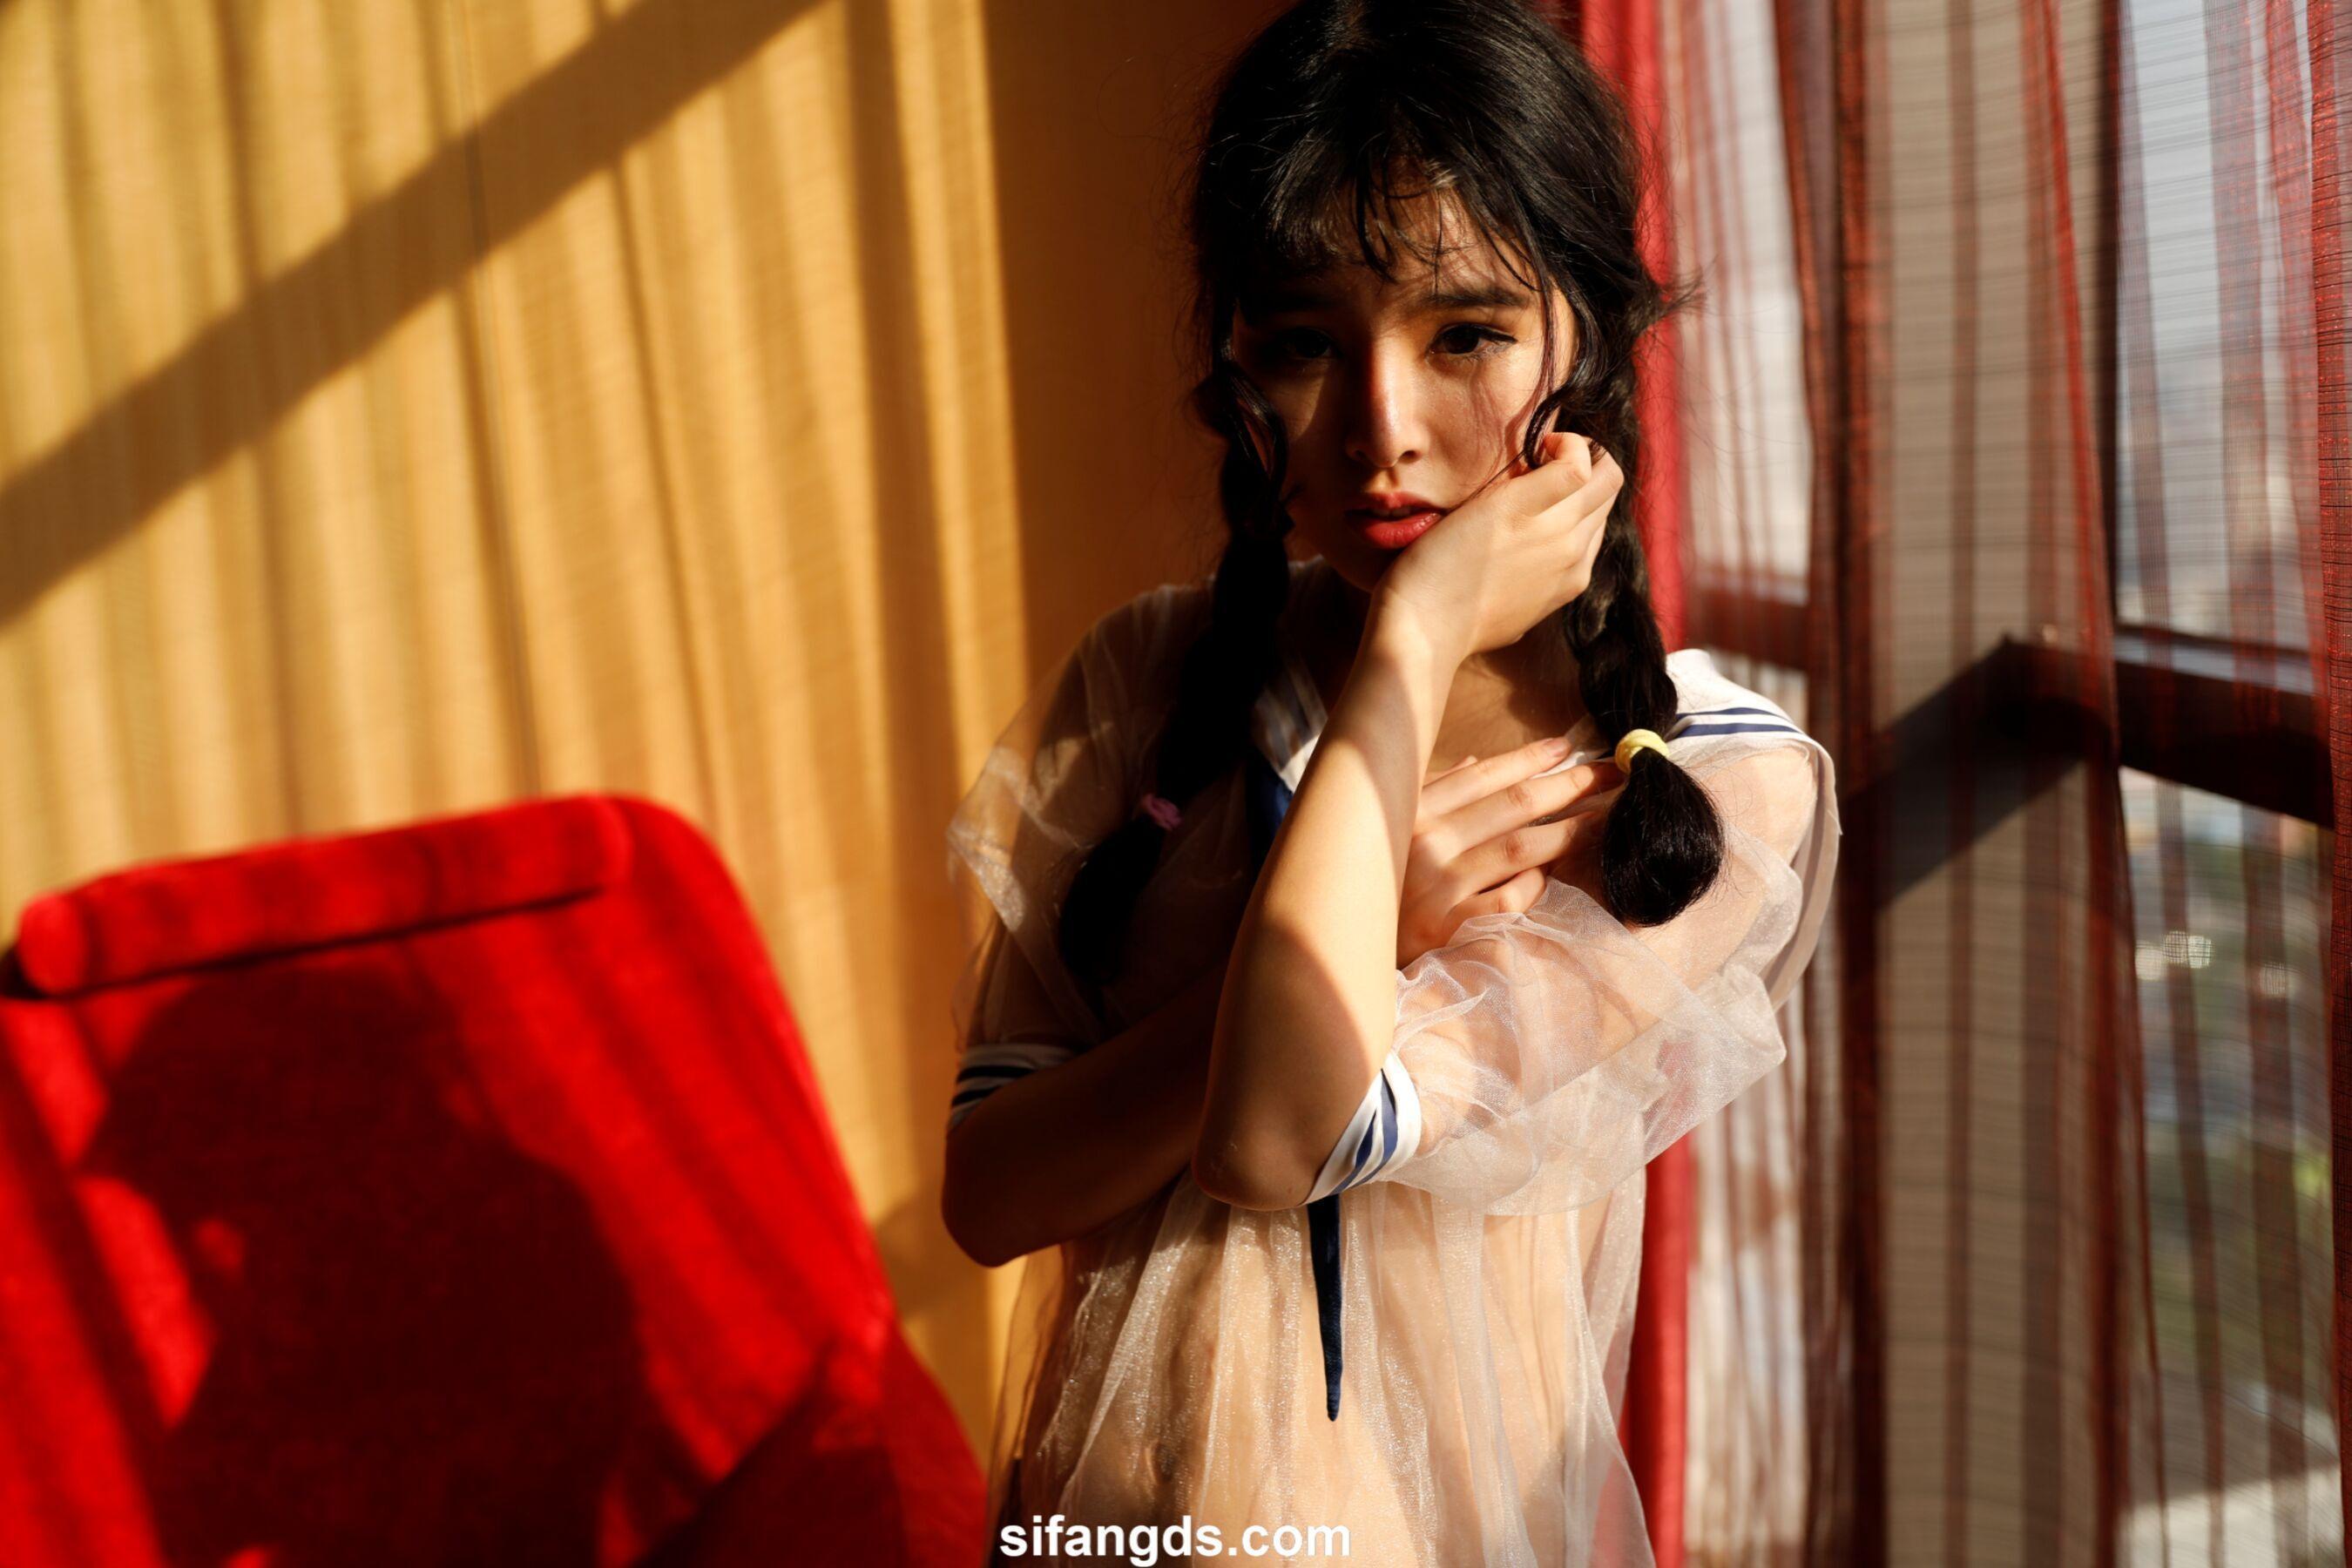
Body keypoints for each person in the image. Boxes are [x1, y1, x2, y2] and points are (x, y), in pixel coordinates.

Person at [938, 0, 1841, 1561]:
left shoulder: (1695, 787)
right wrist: (1362, 924)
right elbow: (993, 1195)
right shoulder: (1148, 677)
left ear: (1589, 340)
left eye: (1466, 335)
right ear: (1235, 360)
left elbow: (1275, 1138)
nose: (1381, 431)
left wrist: (1414, 644)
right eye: (1304, 343)